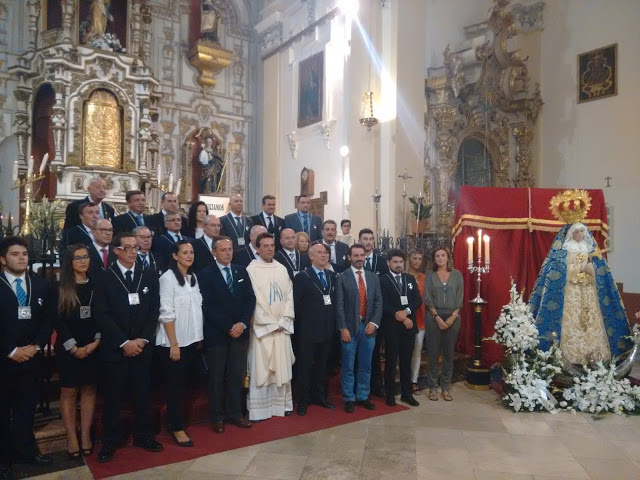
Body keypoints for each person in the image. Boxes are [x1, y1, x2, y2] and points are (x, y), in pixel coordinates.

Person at [94, 232, 162, 463]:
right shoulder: (105, 276)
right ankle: (110, 442)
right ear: (116, 251)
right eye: (128, 248)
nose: (133, 252)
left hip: (142, 347)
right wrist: (124, 342)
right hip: (116, 348)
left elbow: (154, 309)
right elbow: (102, 314)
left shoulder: (148, 273)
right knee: (113, 398)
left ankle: (144, 436)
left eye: (135, 248)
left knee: (142, 395)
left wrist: (142, 339)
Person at [531, 222, 631, 364]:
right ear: (571, 234)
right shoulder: (564, 249)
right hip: (571, 291)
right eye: (577, 232)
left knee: (592, 320)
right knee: (571, 320)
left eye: (582, 231)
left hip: (588, 289)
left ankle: (595, 356)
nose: (580, 234)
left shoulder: (589, 248)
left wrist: (591, 270)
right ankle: (569, 357)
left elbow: (599, 269)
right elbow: (559, 269)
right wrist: (577, 270)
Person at [0, 237, 53, 477]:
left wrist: (36, 346)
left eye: (24, 253)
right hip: (4, 359)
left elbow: (47, 320)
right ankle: (3, 458)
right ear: (3, 259)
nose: (22, 258)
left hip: (31, 357)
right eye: (15, 254)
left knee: (26, 407)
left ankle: (26, 451)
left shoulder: (40, 285)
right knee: (3, 409)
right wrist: (11, 350)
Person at [199, 237, 255, 433]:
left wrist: (242, 323)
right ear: (214, 252)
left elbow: (250, 299)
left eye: (230, 249)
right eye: (223, 250)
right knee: (217, 377)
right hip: (218, 334)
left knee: (237, 375)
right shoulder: (205, 274)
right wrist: (229, 326)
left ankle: (235, 413)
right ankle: (217, 417)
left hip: (240, 333)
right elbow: (207, 305)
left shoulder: (241, 270)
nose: (228, 253)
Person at [54, 245, 100, 459]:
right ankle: (71, 437)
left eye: (85, 257)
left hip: (92, 346)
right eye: (78, 258)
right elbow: (58, 320)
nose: (83, 261)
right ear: (69, 262)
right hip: (68, 347)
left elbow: (102, 314)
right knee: (69, 391)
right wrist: (72, 347)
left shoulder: (96, 284)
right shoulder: (60, 287)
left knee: (89, 389)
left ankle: (85, 435)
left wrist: (96, 342)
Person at [156, 240, 204, 447]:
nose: (189, 255)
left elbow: (196, 310)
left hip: (192, 340)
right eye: (184, 252)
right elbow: (166, 312)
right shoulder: (167, 279)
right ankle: (175, 426)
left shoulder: (193, 277)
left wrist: (198, 338)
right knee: (174, 387)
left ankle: (179, 420)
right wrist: (174, 343)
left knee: (185, 385)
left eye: (191, 252)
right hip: (173, 343)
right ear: (175, 256)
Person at [246, 233, 295, 420]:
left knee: (282, 367)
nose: (269, 249)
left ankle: (282, 405)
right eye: (265, 246)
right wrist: (270, 323)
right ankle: (260, 410)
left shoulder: (281, 269)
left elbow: (289, 295)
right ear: (257, 248)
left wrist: (284, 320)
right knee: (263, 369)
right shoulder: (251, 269)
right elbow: (254, 299)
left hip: (281, 328)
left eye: (272, 245)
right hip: (264, 331)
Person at [335, 244, 382, 413]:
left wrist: (374, 323)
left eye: (362, 255)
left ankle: (363, 395)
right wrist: (342, 328)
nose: (359, 258)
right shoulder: (342, 277)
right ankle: (349, 398)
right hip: (349, 328)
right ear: (349, 257)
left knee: (366, 365)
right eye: (356, 255)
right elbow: (339, 305)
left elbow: (378, 302)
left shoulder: (373, 277)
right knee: (348, 365)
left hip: (368, 328)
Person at [293, 243, 337, 415]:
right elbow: (297, 304)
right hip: (308, 331)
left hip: (327, 329)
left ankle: (320, 396)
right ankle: (303, 400)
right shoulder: (303, 277)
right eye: (319, 252)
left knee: (322, 366)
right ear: (311, 256)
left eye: (325, 252)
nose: (323, 255)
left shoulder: (332, 275)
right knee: (305, 367)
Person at [379, 249, 422, 407]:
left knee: (406, 361)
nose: (398, 265)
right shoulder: (383, 280)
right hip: (391, 327)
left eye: (401, 262)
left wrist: (407, 312)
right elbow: (383, 303)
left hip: (409, 326)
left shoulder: (409, 278)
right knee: (391, 361)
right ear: (388, 263)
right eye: (395, 262)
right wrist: (401, 316)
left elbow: (417, 300)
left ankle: (406, 394)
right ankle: (390, 395)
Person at [423, 246, 463, 402]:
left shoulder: (457, 275)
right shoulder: (430, 275)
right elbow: (427, 298)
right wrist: (437, 317)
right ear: (434, 259)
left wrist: (453, 317)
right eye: (437, 256)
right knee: (433, 353)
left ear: (448, 257)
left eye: (443, 255)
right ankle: (433, 387)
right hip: (434, 316)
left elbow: (460, 297)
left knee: (448, 354)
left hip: (453, 316)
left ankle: (445, 387)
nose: (440, 258)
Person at [358, 228, 388, 397]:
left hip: (376, 314)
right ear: (359, 240)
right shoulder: (354, 260)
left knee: (375, 352)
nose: (368, 242)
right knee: (359, 353)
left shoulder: (382, 262)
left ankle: (376, 385)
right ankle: (359, 387)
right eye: (365, 239)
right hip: (358, 314)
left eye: (370, 239)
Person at [407, 249, 427, 394]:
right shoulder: (403, 275)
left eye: (419, 259)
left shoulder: (425, 278)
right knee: (405, 350)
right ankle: (405, 378)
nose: (417, 261)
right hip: (405, 318)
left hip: (420, 318)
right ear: (409, 259)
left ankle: (413, 380)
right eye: (414, 258)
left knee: (417, 350)